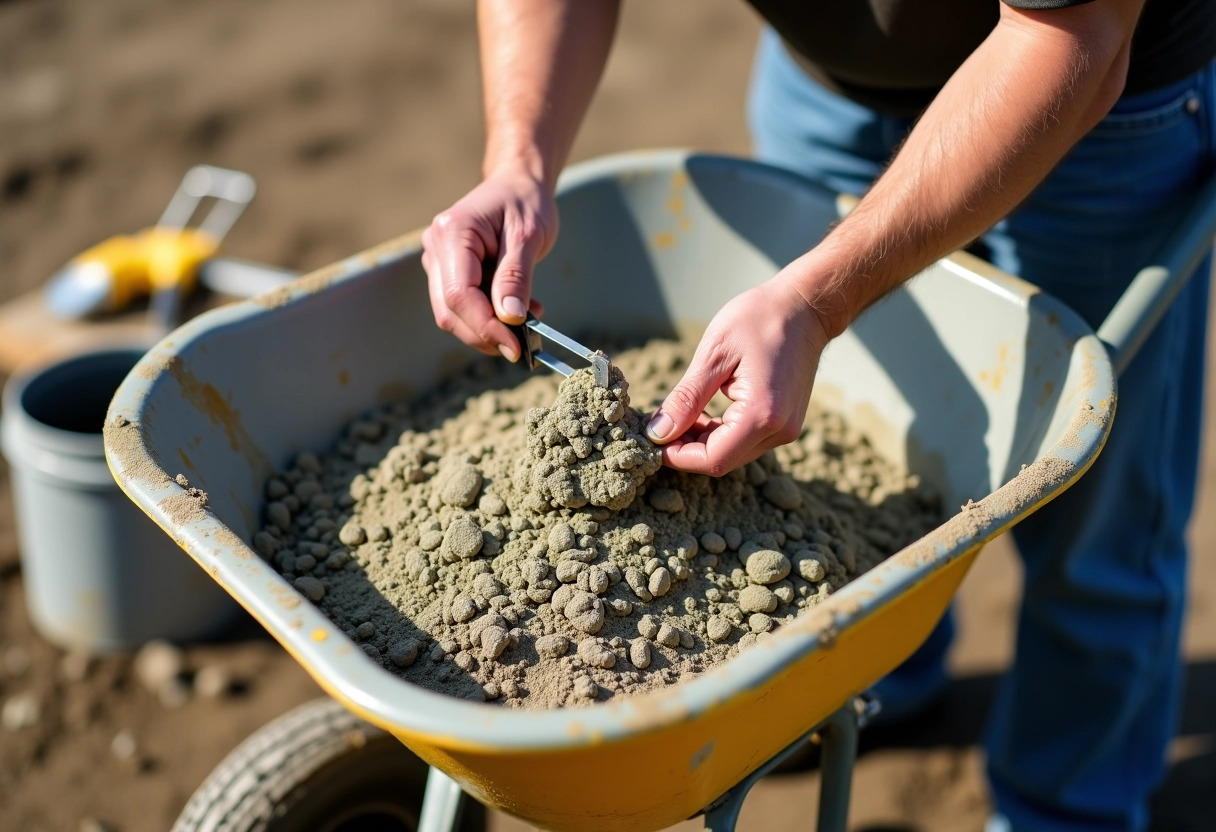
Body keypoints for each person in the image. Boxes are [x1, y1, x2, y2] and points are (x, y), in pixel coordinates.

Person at [421, 2, 1216, 830]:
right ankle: (876, 678)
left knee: (1098, 531)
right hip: (828, 91)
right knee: (872, 422)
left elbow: (1068, 39)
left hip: (1094, 119)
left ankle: (1068, 807)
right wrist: (519, 162)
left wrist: (813, 298)